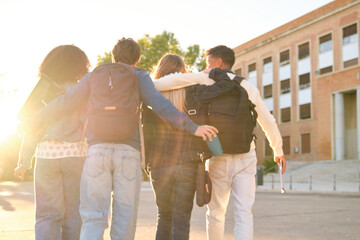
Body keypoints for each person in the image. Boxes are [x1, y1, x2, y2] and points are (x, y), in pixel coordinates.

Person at [30, 38, 217, 240]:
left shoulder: (94, 76)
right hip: (128, 153)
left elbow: (65, 102)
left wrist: (31, 120)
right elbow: (160, 105)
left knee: (93, 218)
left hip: (96, 153)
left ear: (114, 56)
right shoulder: (138, 75)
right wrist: (193, 128)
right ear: (136, 60)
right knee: (124, 220)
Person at [153, 45, 287, 240]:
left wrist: (200, 75)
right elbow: (268, 121)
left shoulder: (205, 79)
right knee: (244, 213)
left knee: (215, 213)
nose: (206, 66)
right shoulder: (247, 86)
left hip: (217, 153)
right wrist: (278, 150)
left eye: (208, 62)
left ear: (218, 62)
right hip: (245, 155)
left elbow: (158, 84)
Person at [145, 54, 236, 240]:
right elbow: (227, 86)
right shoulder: (194, 92)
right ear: (183, 72)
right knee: (181, 219)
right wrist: (213, 72)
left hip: (159, 164)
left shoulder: (151, 95)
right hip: (188, 163)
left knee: (164, 216)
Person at [14, 45, 91, 240]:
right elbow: (88, 124)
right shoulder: (81, 89)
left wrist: (23, 161)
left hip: (46, 155)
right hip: (76, 156)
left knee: (47, 214)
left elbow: (31, 127)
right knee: (74, 215)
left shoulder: (43, 89)